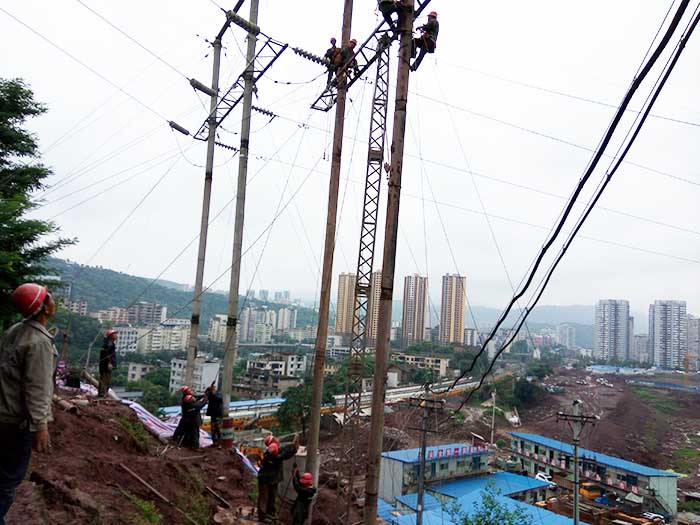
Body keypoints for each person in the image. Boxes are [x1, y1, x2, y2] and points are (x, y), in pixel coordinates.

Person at [0, 284, 58, 522]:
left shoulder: (14, 330)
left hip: (2, 413)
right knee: (7, 481)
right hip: (15, 422)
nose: (53, 301)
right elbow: (37, 389)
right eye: (49, 298)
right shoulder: (39, 342)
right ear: (44, 308)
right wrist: (40, 426)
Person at [257, 434, 300, 523]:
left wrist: (292, 445)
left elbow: (283, 449)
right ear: (273, 442)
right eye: (275, 439)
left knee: (272, 497)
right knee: (264, 498)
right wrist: (293, 448)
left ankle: (270, 513)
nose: (277, 440)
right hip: (265, 480)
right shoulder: (272, 456)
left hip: (272, 479)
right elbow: (284, 455)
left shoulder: (273, 451)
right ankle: (262, 517)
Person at [98, 329, 117, 397]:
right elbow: (107, 354)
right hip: (105, 365)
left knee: (105, 379)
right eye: (114, 334)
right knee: (105, 379)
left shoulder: (110, 343)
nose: (116, 335)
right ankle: (102, 394)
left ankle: (103, 393)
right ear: (111, 336)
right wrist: (109, 363)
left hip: (104, 365)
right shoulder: (109, 344)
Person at [204, 381, 223, 445]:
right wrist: (209, 389)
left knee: (218, 429)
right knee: (213, 429)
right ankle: (214, 442)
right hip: (213, 414)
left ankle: (220, 443)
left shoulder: (219, 394)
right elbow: (206, 393)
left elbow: (219, 398)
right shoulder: (211, 394)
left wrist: (213, 392)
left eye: (214, 388)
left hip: (218, 414)